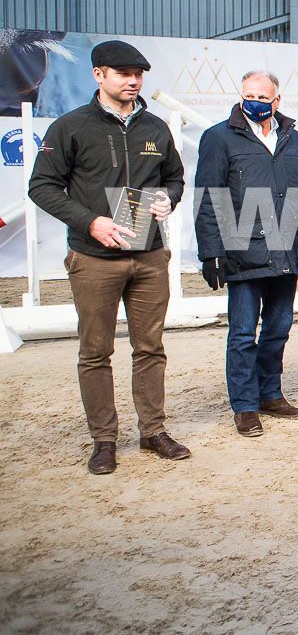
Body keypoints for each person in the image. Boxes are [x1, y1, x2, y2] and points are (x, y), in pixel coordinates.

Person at [28, 40, 189, 474]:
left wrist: (168, 198)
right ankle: (103, 440)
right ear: (99, 75)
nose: (133, 81)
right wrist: (90, 222)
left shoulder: (155, 128)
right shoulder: (71, 127)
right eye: (123, 73)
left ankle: (153, 430)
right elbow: (41, 187)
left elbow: (174, 178)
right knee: (95, 352)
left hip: (149, 255)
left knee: (150, 347)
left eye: (138, 74)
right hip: (94, 258)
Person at [193, 71, 298, 437]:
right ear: (241, 95)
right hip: (242, 253)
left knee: (278, 329)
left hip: (286, 251)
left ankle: (270, 394)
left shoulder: (295, 139)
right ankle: (245, 405)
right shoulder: (218, 138)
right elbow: (208, 197)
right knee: (243, 333)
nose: (255, 101)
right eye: (249, 95)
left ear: (277, 100)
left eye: (263, 97)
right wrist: (210, 253)